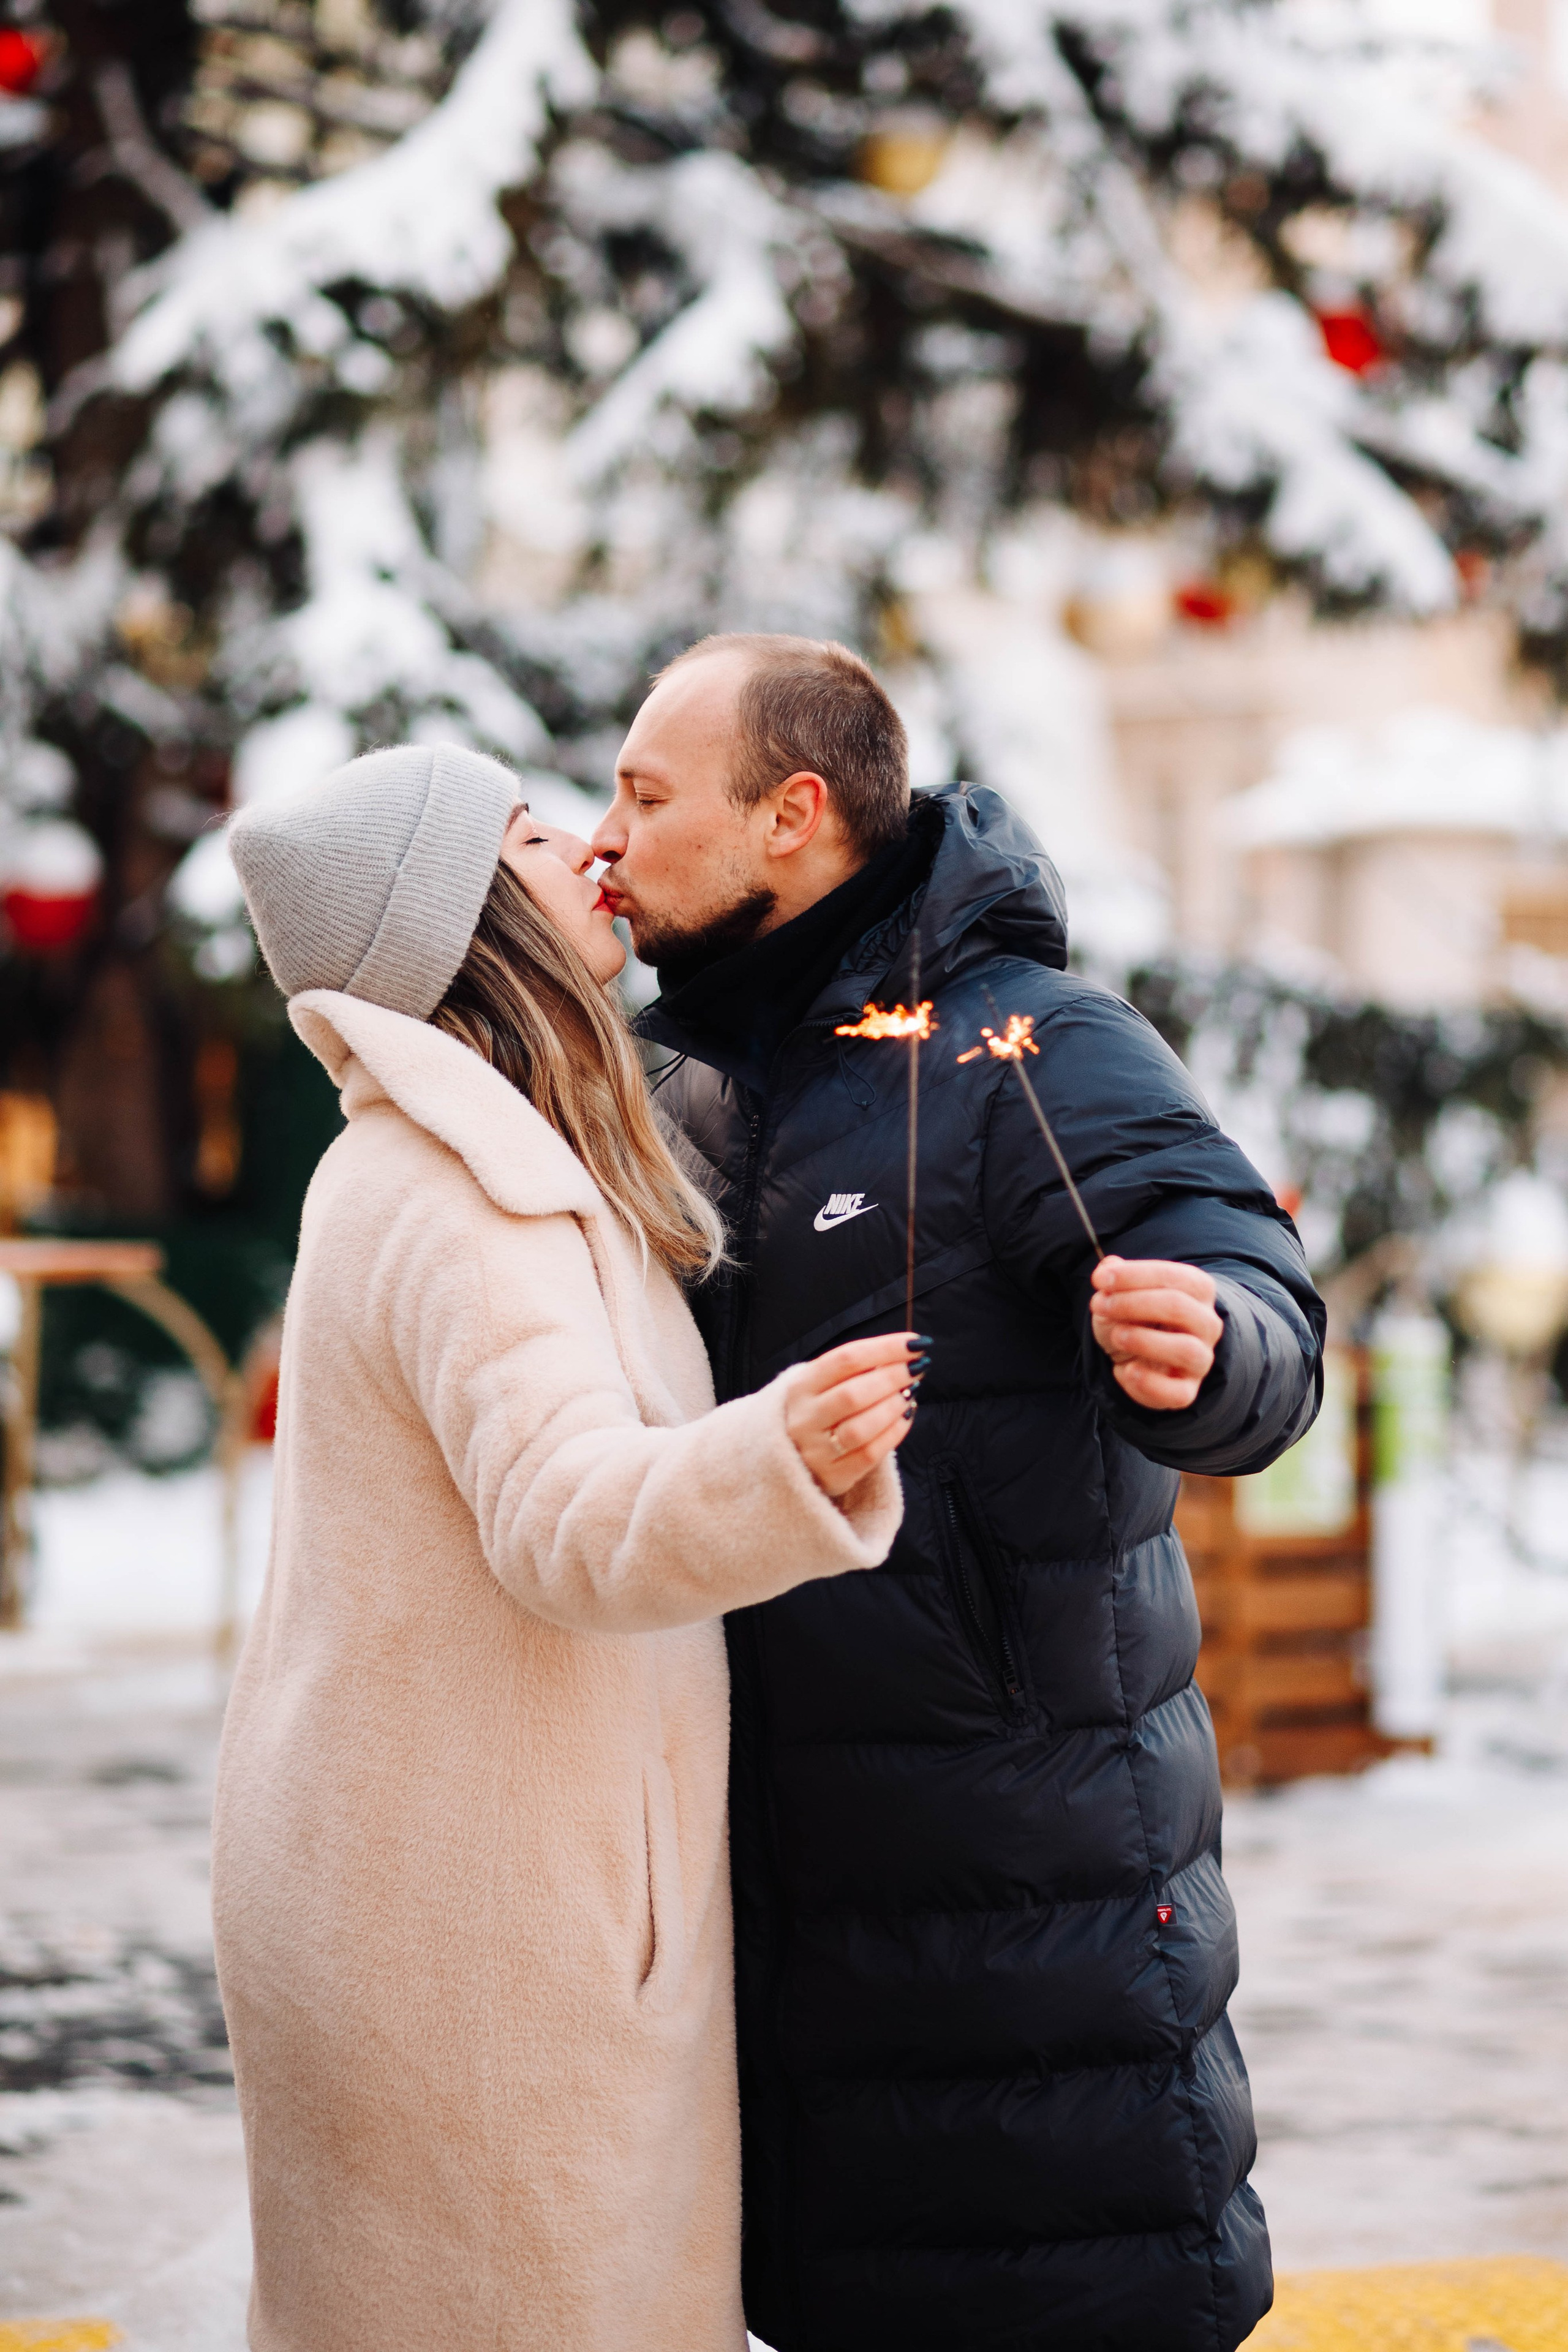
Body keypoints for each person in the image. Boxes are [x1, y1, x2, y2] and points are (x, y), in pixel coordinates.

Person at [592, 637, 1327, 2352]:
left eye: (646, 794)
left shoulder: (1035, 1048)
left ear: (791, 816)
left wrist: (1216, 1344)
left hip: (1027, 1893)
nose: (609, 836)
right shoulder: (656, 1080)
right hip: (762, 1890)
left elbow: (1254, 1289)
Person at [213, 743, 918, 2352]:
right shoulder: (471, 1197)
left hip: (429, 1883)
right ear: (463, 916)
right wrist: (779, 1457)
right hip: (486, 1938)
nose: (593, 852)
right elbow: (566, 1523)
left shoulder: (439, 1161)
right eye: (533, 837)